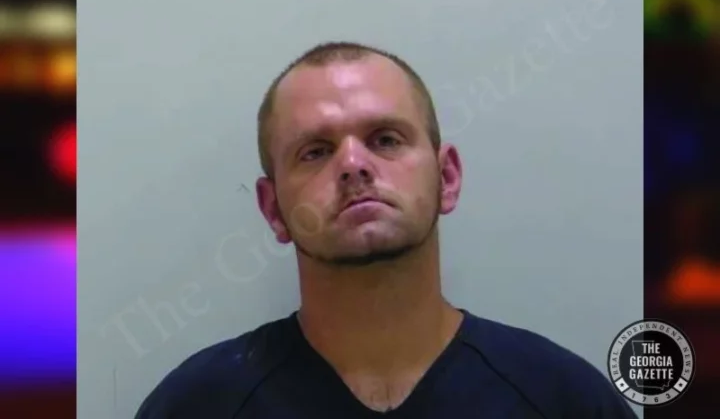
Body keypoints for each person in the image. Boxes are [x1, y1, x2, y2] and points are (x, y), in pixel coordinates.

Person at [135, 41, 637, 418]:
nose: (353, 164)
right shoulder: (196, 406)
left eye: (386, 139)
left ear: (447, 178)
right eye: (315, 151)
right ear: (273, 210)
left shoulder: (564, 400)